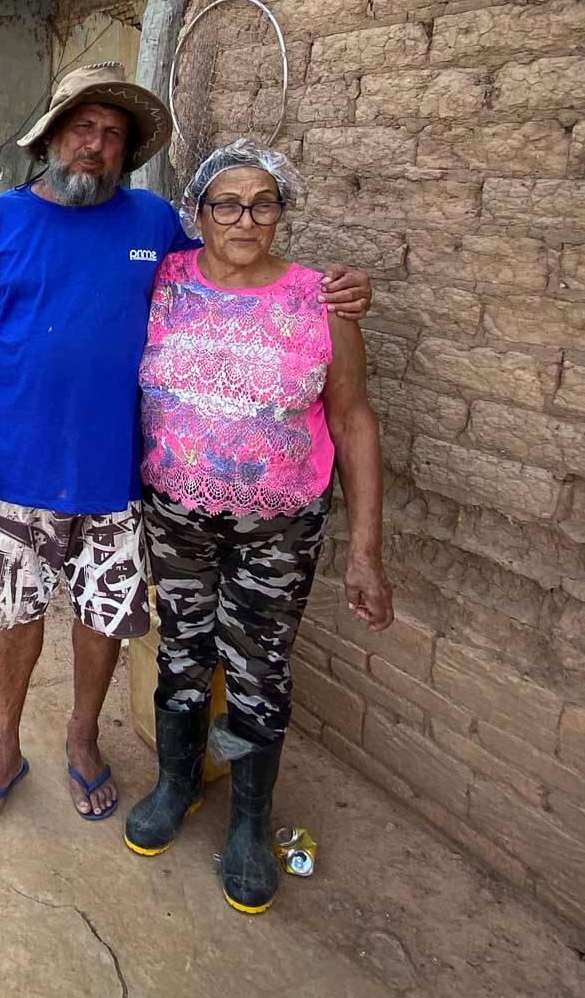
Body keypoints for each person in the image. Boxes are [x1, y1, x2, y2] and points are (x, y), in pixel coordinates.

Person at [0, 63, 372, 832]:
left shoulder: (150, 224)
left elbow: (228, 265)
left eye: (113, 134)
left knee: (102, 616)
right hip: (13, 472)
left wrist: (335, 292)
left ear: (127, 152)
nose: (96, 145)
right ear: (50, 137)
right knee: (15, 615)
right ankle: (3, 746)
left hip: (119, 479)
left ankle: (82, 735)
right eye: (82, 127)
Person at [123, 143, 393, 914]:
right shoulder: (161, 280)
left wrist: (366, 550)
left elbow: (353, 421)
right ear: (198, 213)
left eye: (263, 203)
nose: (245, 219)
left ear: (280, 214)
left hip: (278, 529)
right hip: (177, 515)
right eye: (227, 204)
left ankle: (248, 821)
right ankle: (177, 784)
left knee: (258, 671)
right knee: (182, 652)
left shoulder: (322, 302)